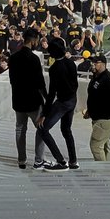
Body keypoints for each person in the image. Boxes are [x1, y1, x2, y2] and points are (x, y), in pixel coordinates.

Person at [34, 40, 78, 171]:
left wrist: (44, 114)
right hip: (72, 100)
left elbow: (52, 93)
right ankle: (73, 161)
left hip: (62, 102)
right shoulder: (71, 63)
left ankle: (61, 161)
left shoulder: (54, 69)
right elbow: (75, 84)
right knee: (66, 130)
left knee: (42, 129)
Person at [8, 28, 47, 169]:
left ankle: (21, 160)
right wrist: (46, 98)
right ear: (34, 40)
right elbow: (40, 82)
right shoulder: (34, 59)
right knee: (41, 129)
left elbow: (12, 80)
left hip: (18, 99)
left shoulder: (13, 58)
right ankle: (39, 159)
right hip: (33, 101)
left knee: (20, 129)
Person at [83, 53, 110, 162]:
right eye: (92, 62)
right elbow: (94, 97)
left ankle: (102, 169)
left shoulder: (109, 80)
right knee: (105, 145)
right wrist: (89, 110)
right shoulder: (96, 77)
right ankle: (107, 167)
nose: (93, 64)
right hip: (98, 118)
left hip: (105, 119)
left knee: (95, 146)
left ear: (103, 64)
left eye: (96, 62)